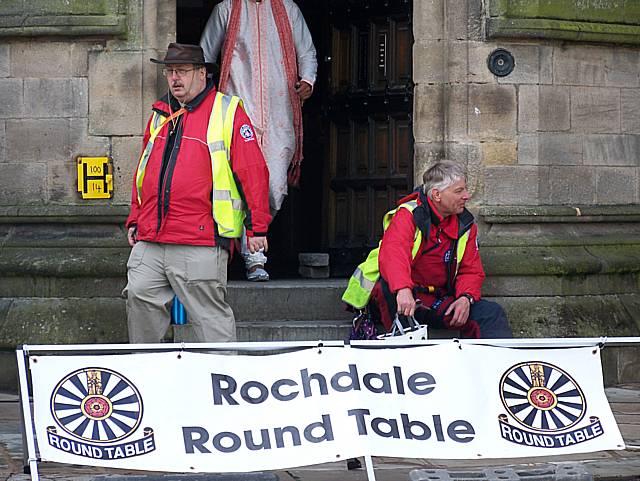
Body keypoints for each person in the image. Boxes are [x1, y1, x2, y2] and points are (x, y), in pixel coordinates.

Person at [124, 43, 271, 343]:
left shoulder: (226, 110)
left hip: (200, 237)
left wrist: (257, 227)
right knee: (139, 297)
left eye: (182, 71)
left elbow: (253, 171)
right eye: (169, 72)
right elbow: (143, 172)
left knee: (209, 318)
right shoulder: (160, 113)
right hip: (152, 237)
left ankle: (221, 380)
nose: (175, 78)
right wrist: (135, 217)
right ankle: (147, 376)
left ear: (202, 73)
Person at [200, 0, 318, 281]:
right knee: (236, 186)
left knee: (275, 187)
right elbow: (205, 54)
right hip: (237, 110)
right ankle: (253, 257)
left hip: (280, 113)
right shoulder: (226, 9)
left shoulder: (288, 8)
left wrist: (308, 81)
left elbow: (307, 52)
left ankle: (248, 241)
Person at [343, 160, 512, 339]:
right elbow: (394, 255)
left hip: (436, 299)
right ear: (437, 194)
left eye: (465, 189)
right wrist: (403, 289)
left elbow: (471, 269)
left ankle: (492, 365)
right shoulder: (408, 214)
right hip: (398, 296)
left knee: (491, 313)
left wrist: (466, 298)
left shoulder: (465, 224)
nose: (467, 196)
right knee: (391, 291)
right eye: (459, 191)